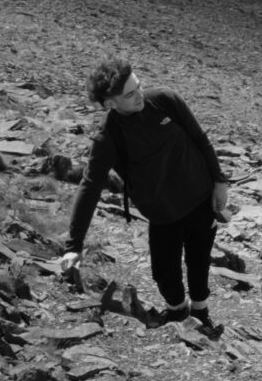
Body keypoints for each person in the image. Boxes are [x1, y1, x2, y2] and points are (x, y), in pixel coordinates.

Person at [58, 58, 230, 326]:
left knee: (199, 260)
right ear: (110, 103)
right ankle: (177, 310)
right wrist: (74, 246)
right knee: (164, 272)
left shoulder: (165, 99)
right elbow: (90, 185)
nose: (139, 96)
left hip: (199, 197)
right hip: (162, 212)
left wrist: (219, 181)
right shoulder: (108, 138)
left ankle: (201, 311)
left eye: (138, 86)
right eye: (129, 94)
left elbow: (200, 138)